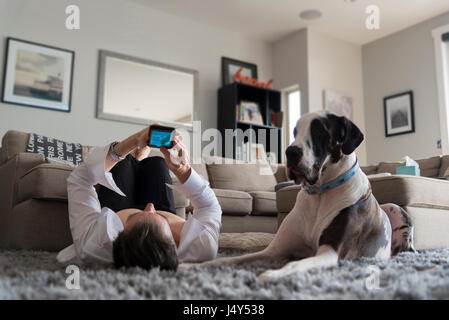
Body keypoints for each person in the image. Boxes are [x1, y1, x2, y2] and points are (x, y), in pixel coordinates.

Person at [56, 127, 222, 271]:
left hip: (119, 207)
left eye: (131, 220)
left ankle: (134, 158)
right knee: (158, 164)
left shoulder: (98, 243)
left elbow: (80, 180)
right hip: (164, 207)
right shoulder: (201, 245)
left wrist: (134, 141)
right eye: (162, 221)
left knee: (123, 164)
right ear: (175, 244)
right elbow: (210, 207)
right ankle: (141, 161)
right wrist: (183, 170)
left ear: (118, 237)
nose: (150, 206)